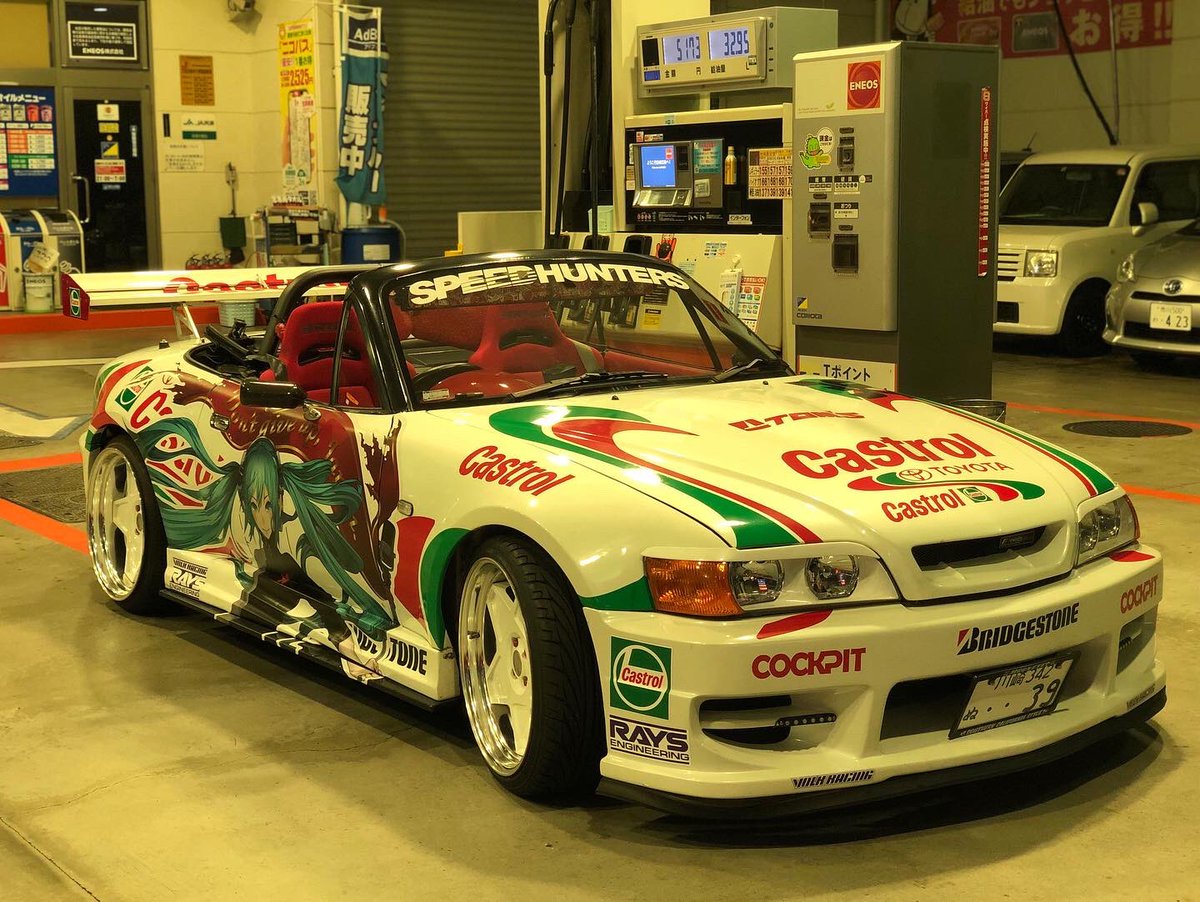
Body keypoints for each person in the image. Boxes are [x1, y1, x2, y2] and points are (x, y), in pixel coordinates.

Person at [139, 419, 393, 680]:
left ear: (281, 498)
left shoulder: (291, 553)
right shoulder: (251, 543)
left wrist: (351, 654)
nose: (262, 518)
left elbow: (327, 608)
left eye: (268, 505)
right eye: (254, 505)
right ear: (244, 502)